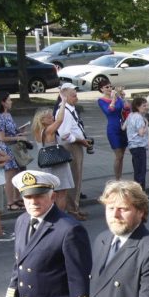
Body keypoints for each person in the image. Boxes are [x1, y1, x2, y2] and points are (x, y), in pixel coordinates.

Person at [56, 83, 92, 219]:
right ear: (64, 96)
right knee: (74, 178)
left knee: (77, 178)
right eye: (73, 95)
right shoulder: (64, 111)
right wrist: (79, 140)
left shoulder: (70, 109)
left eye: (76, 95)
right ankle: (72, 209)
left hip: (76, 145)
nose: (76, 98)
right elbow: (64, 134)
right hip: (71, 146)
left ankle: (75, 207)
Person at [31, 106, 75, 212]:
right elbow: (60, 120)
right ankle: (60, 216)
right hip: (58, 164)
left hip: (48, 165)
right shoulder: (48, 130)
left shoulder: (39, 131)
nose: (53, 119)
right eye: (50, 117)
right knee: (61, 193)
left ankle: (52, 214)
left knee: (52, 193)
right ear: (43, 120)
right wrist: (63, 102)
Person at [0, 92, 28, 211]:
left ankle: (17, 198)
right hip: (6, 149)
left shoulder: (8, 115)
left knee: (18, 173)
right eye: (9, 100)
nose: (11, 102)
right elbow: (2, 138)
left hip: (14, 148)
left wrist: (19, 132)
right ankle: (9, 202)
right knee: (10, 176)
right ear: (3, 102)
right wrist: (18, 137)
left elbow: (11, 132)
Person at [97, 81, 128, 181]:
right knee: (118, 155)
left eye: (111, 86)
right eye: (107, 87)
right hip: (113, 128)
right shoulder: (101, 100)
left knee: (122, 155)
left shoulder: (118, 97)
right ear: (102, 89)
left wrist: (123, 97)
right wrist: (113, 100)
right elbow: (108, 111)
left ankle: (120, 176)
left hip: (122, 127)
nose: (110, 88)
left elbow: (127, 108)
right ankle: (117, 178)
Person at [123, 97, 149, 192]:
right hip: (139, 145)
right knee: (141, 171)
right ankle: (140, 193)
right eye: (144, 106)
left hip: (132, 145)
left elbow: (123, 127)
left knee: (137, 169)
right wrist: (146, 124)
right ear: (137, 106)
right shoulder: (139, 117)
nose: (146, 107)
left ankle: (139, 192)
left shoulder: (130, 115)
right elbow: (141, 133)